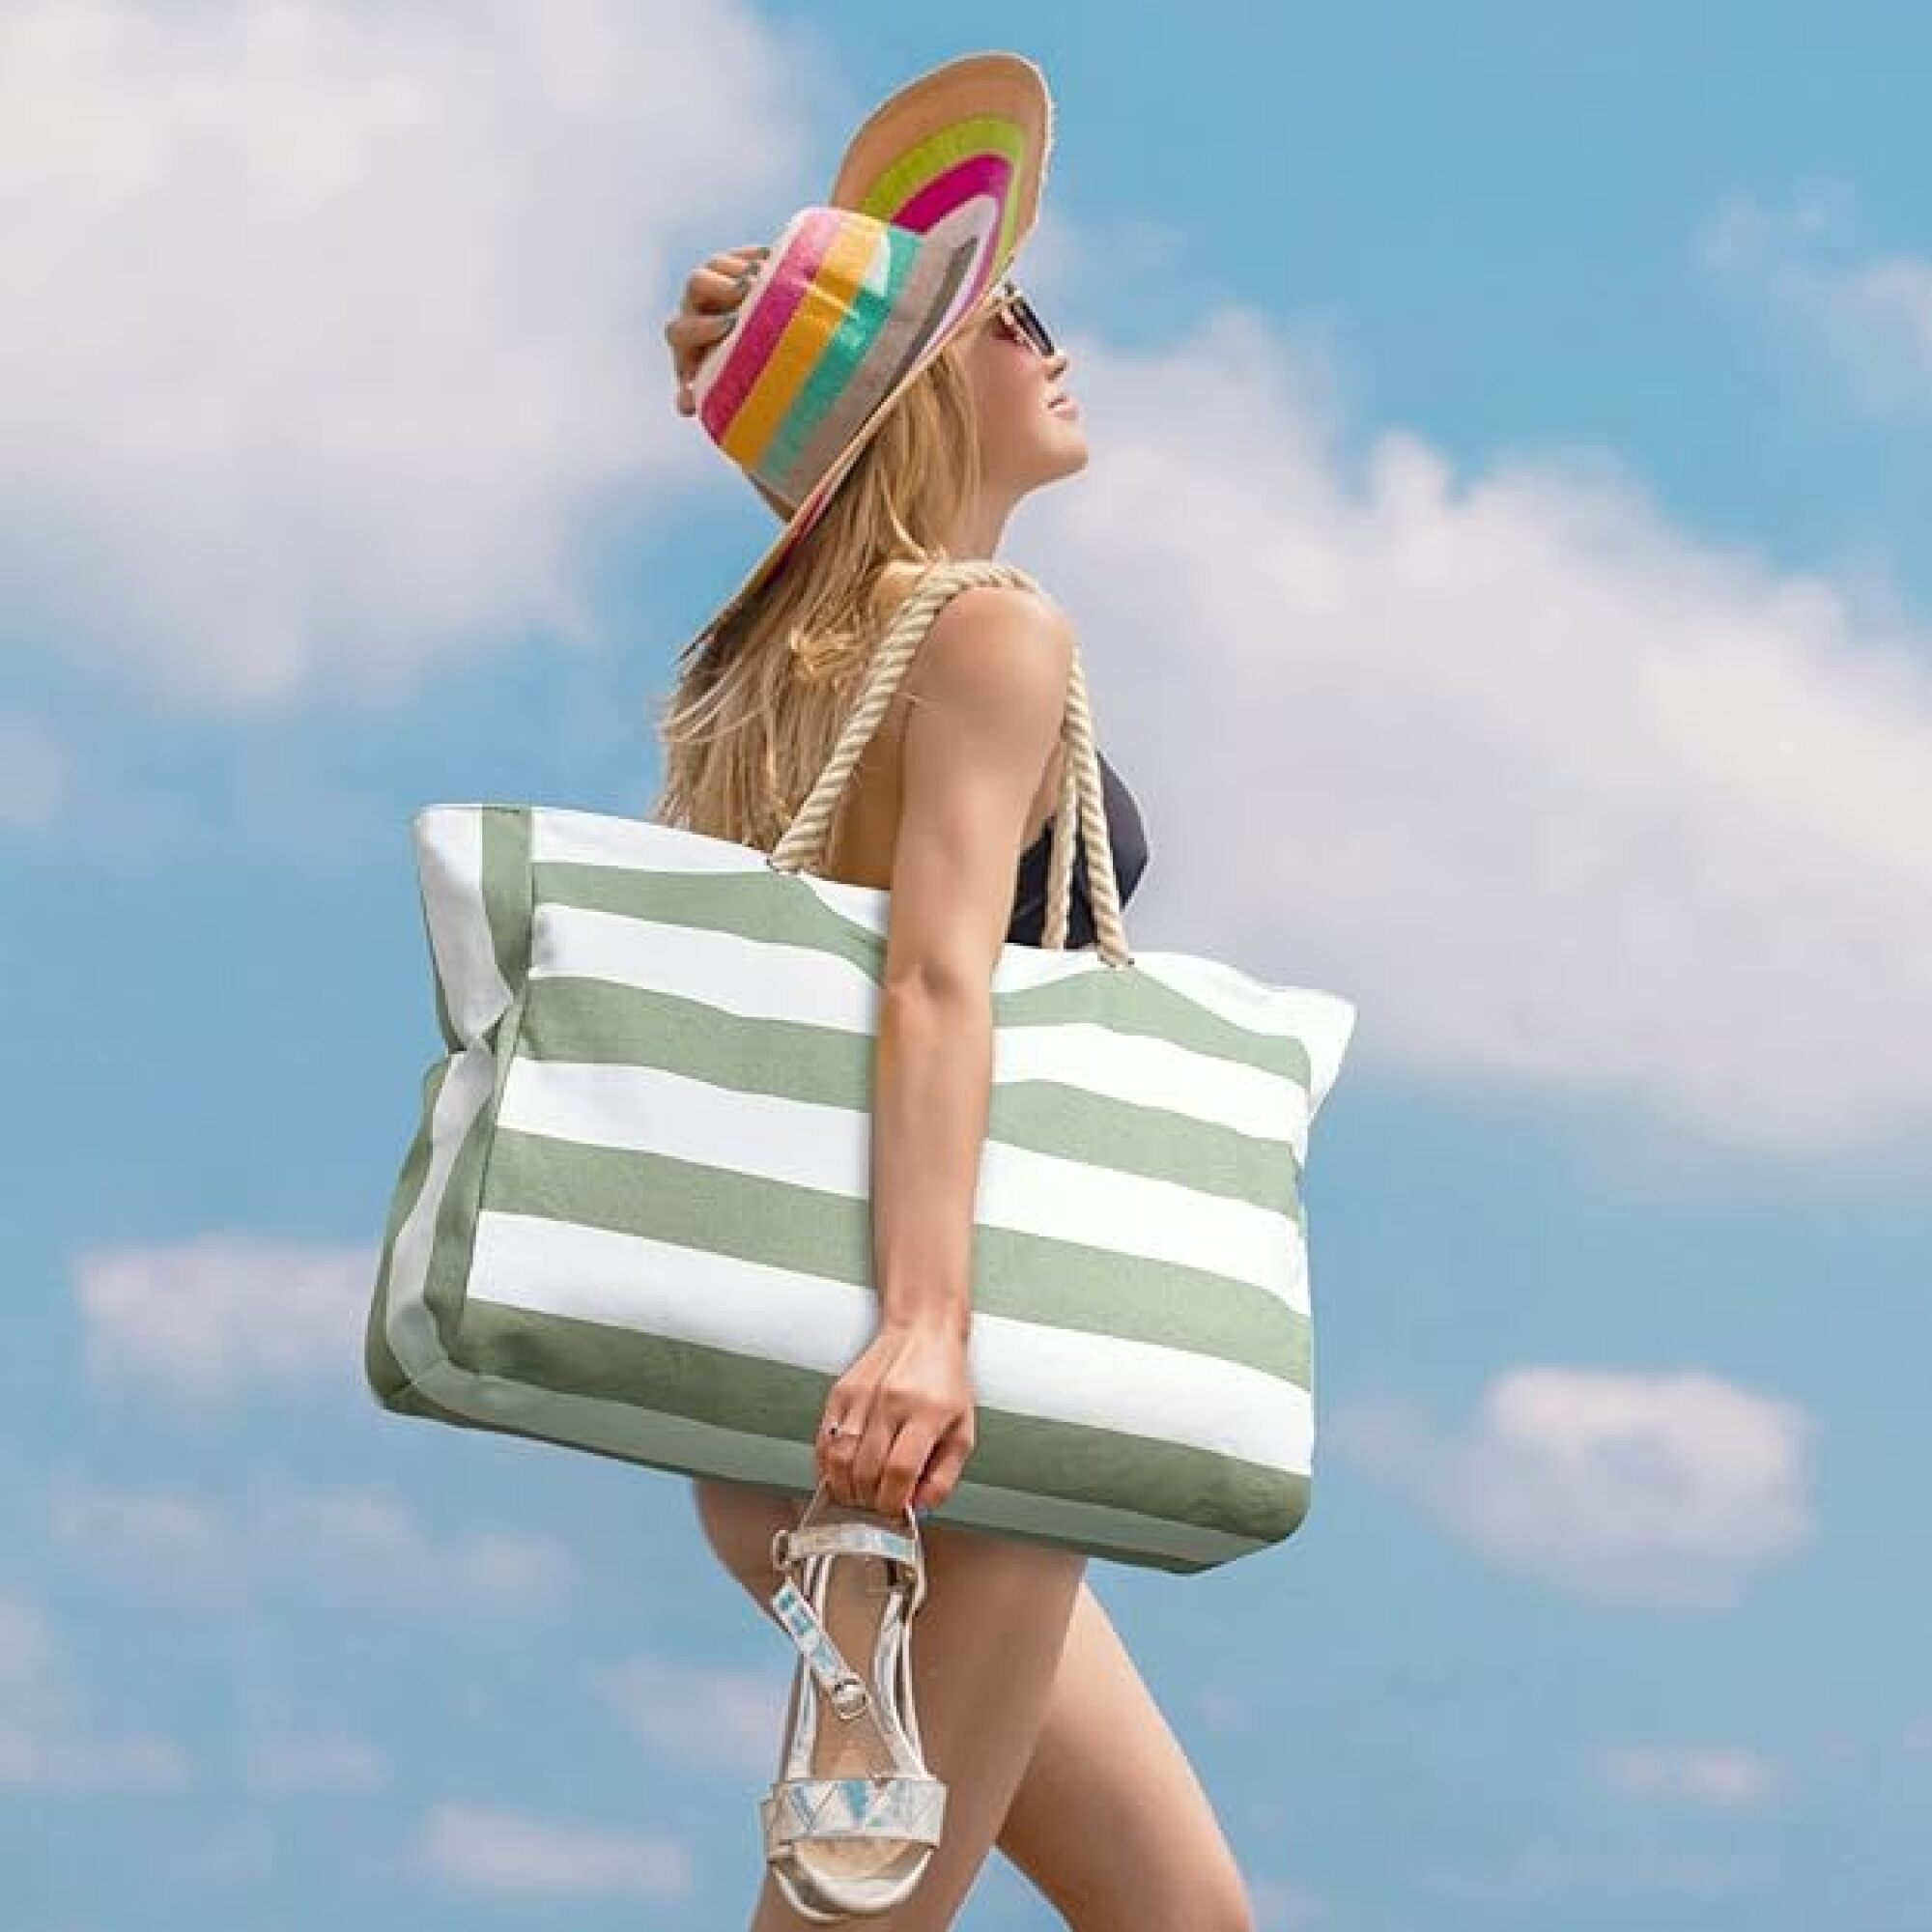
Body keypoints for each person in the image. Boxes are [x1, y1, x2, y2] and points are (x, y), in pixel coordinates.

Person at [652, 57, 1255, 1932]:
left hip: (815, 1399)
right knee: (859, 1918)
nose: (1054, 348)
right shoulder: (989, 631)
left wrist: (772, 365)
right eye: (1010, 320)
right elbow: (928, 981)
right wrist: (926, 1327)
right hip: (922, 1410)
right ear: (921, 396)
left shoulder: (797, 663)